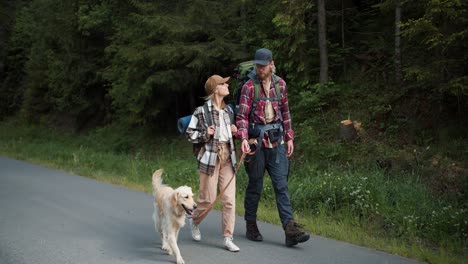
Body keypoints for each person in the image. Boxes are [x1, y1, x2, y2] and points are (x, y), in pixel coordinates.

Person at [236, 48, 310, 247]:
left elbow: (285, 112)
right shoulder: (249, 87)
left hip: (277, 144)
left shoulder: (281, 85)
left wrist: (290, 137)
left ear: (271, 64)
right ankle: (251, 225)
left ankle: (290, 230)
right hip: (256, 144)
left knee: (281, 186)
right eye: (257, 65)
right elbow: (241, 116)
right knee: (255, 186)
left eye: (263, 65)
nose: (260, 68)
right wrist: (243, 137)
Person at [185, 75, 240, 252]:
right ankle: (194, 220)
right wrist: (205, 134)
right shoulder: (201, 112)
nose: (227, 85)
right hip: (209, 158)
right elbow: (189, 134)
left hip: (227, 157)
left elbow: (229, 134)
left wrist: (234, 130)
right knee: (207, 199)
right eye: (224, 83)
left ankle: (227, 237)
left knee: (229, 200)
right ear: (215, 89)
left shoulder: (228, 112)